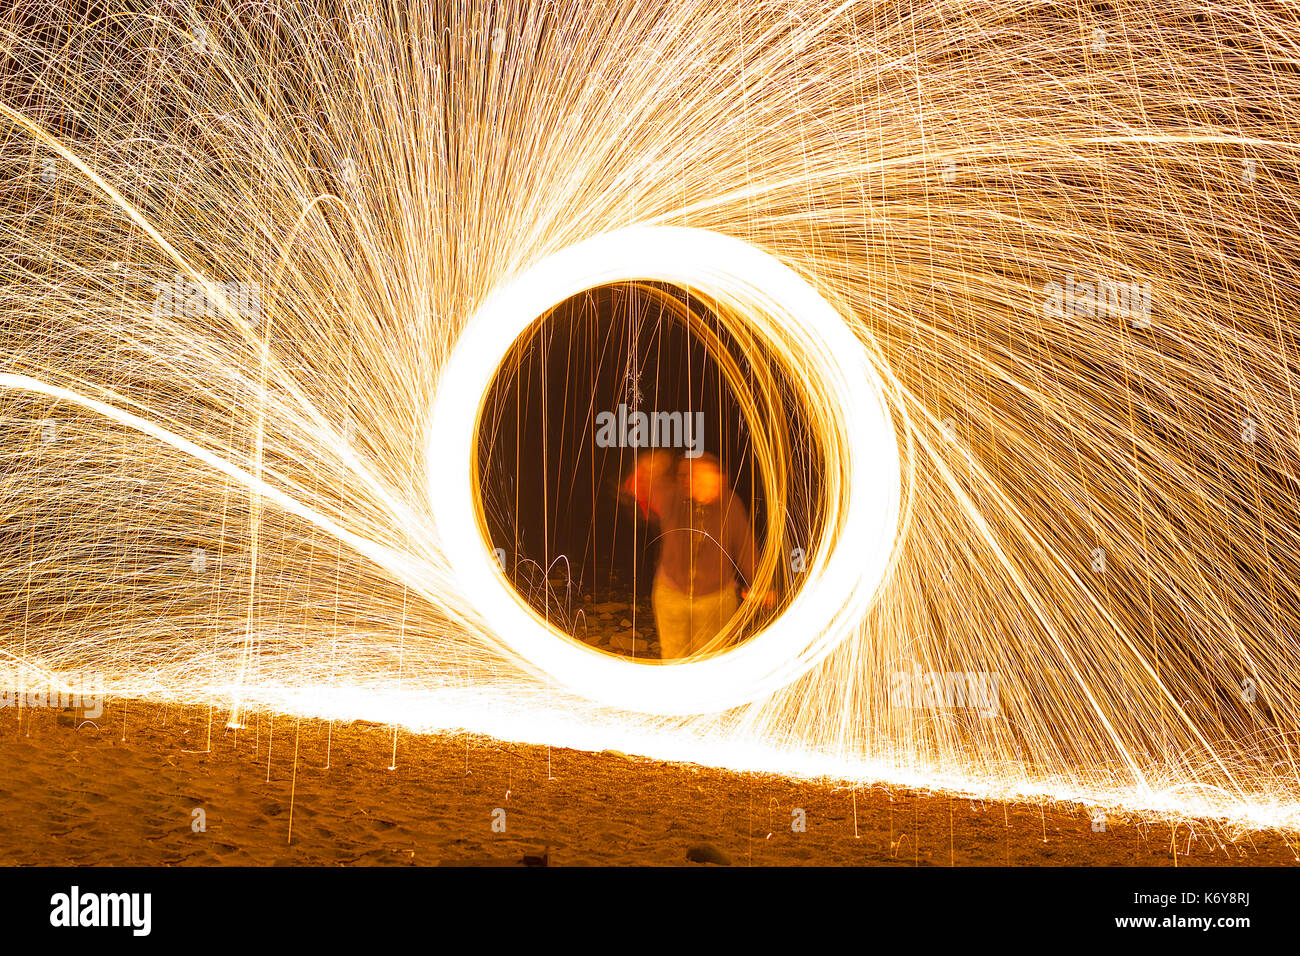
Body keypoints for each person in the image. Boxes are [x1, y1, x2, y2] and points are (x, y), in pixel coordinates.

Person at [620, 449, 775, 660]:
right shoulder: (673, 499)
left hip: (716, 601)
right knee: (675, 659)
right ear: (689, 481)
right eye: (699, 479)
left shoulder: (730, 505)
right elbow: (640, 488)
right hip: (671, 596)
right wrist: (648, 469)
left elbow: (745, 545)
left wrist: (759, 584)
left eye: (712, 481)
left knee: (709, 661)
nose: (706, 486)